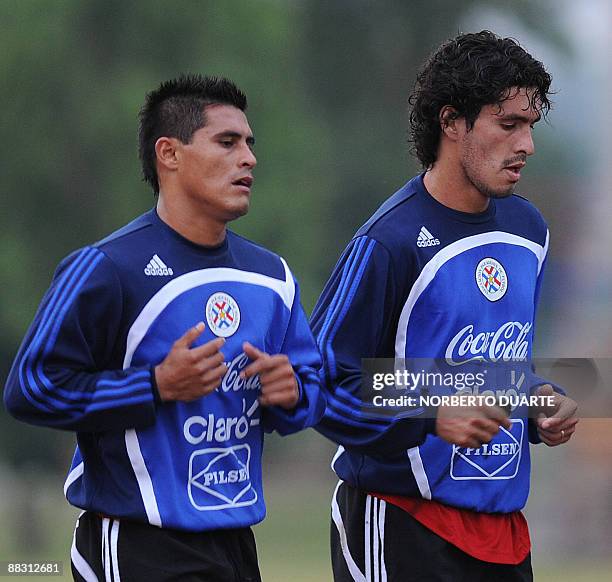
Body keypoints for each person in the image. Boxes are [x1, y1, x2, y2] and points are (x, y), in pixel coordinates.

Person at [4, 74, 324, 581]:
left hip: (237, 546)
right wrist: (154, 385)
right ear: (169, 154)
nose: (249, 158)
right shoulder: (105, 267)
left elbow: (311, 390)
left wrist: (291, 394)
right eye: (227, 142)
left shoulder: (272, 277)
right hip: (135, 545)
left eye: (249, 143)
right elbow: (31, 389)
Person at [311, 31, 578, 581]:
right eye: (509, 125)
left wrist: (537, 400)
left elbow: (496, 369)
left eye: (530, 126)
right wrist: (431, 413)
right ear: (452, 122)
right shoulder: (390, 242)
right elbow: (318, 383)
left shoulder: (528, 229)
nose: (527, 144)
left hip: (502, 532)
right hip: (402, 523)